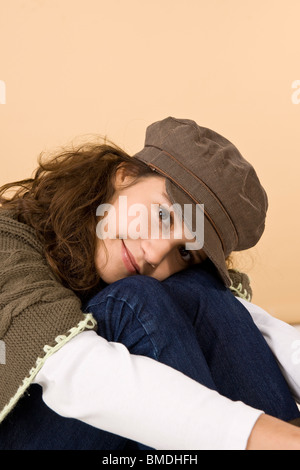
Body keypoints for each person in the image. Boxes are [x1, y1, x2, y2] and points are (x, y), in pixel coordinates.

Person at [0, 116, 300, 450]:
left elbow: (255, 325)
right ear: (123, 176)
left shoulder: (175, 278)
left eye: (185, 250)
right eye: (162, 215)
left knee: (199, 288)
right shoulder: (6, 243)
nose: (156, 254)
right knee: (136, 298)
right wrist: (269, 440)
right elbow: (76, 373)